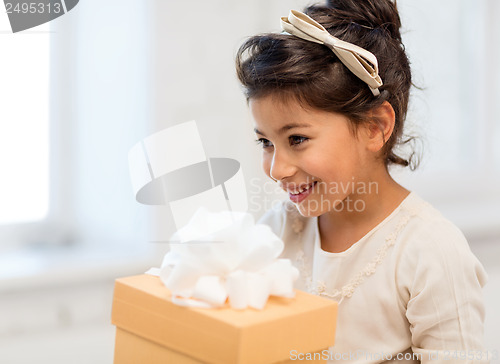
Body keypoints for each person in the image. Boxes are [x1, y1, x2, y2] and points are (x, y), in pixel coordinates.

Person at [235, 0, 489, 363]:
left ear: (374, 127)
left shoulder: (430, 252)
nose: (276, 169)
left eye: (297, 139)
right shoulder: (277, 233)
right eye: (266, 142)